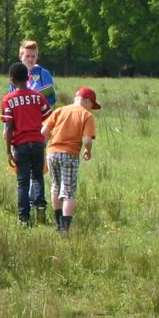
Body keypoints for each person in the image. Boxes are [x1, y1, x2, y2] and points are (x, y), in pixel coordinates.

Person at [40, 86, 99, 234]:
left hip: (52, 152)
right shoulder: (86, 115)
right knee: (68, 191)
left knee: (55, 186)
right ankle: (65, 229)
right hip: (70, 154)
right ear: (86, 101)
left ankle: (58, 224)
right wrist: (88, 150)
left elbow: (44, 132)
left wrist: (45, 149)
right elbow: (87, 139)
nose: (91, 108)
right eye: (92, 105)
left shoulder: (60, 110)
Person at [2, 63, 51, 225]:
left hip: (20, 145)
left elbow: (8, 128)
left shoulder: (8, 100)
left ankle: (24, 219)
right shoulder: (39, 97)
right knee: (37, 177)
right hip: (38, 143)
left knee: (23, 182)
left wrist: (8, 151)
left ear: (12, 80)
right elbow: (49, 120)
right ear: (28, 78)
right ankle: (41, 212)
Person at [13, 40, 58, 107]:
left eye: (33, 56)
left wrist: (35, 98)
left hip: (39, 114)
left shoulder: (43, 73)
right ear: (20, 57)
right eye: (27, 56)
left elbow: (52, 99)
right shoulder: (16, 74)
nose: (30, 59)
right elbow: (12, 99)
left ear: (37, 57)